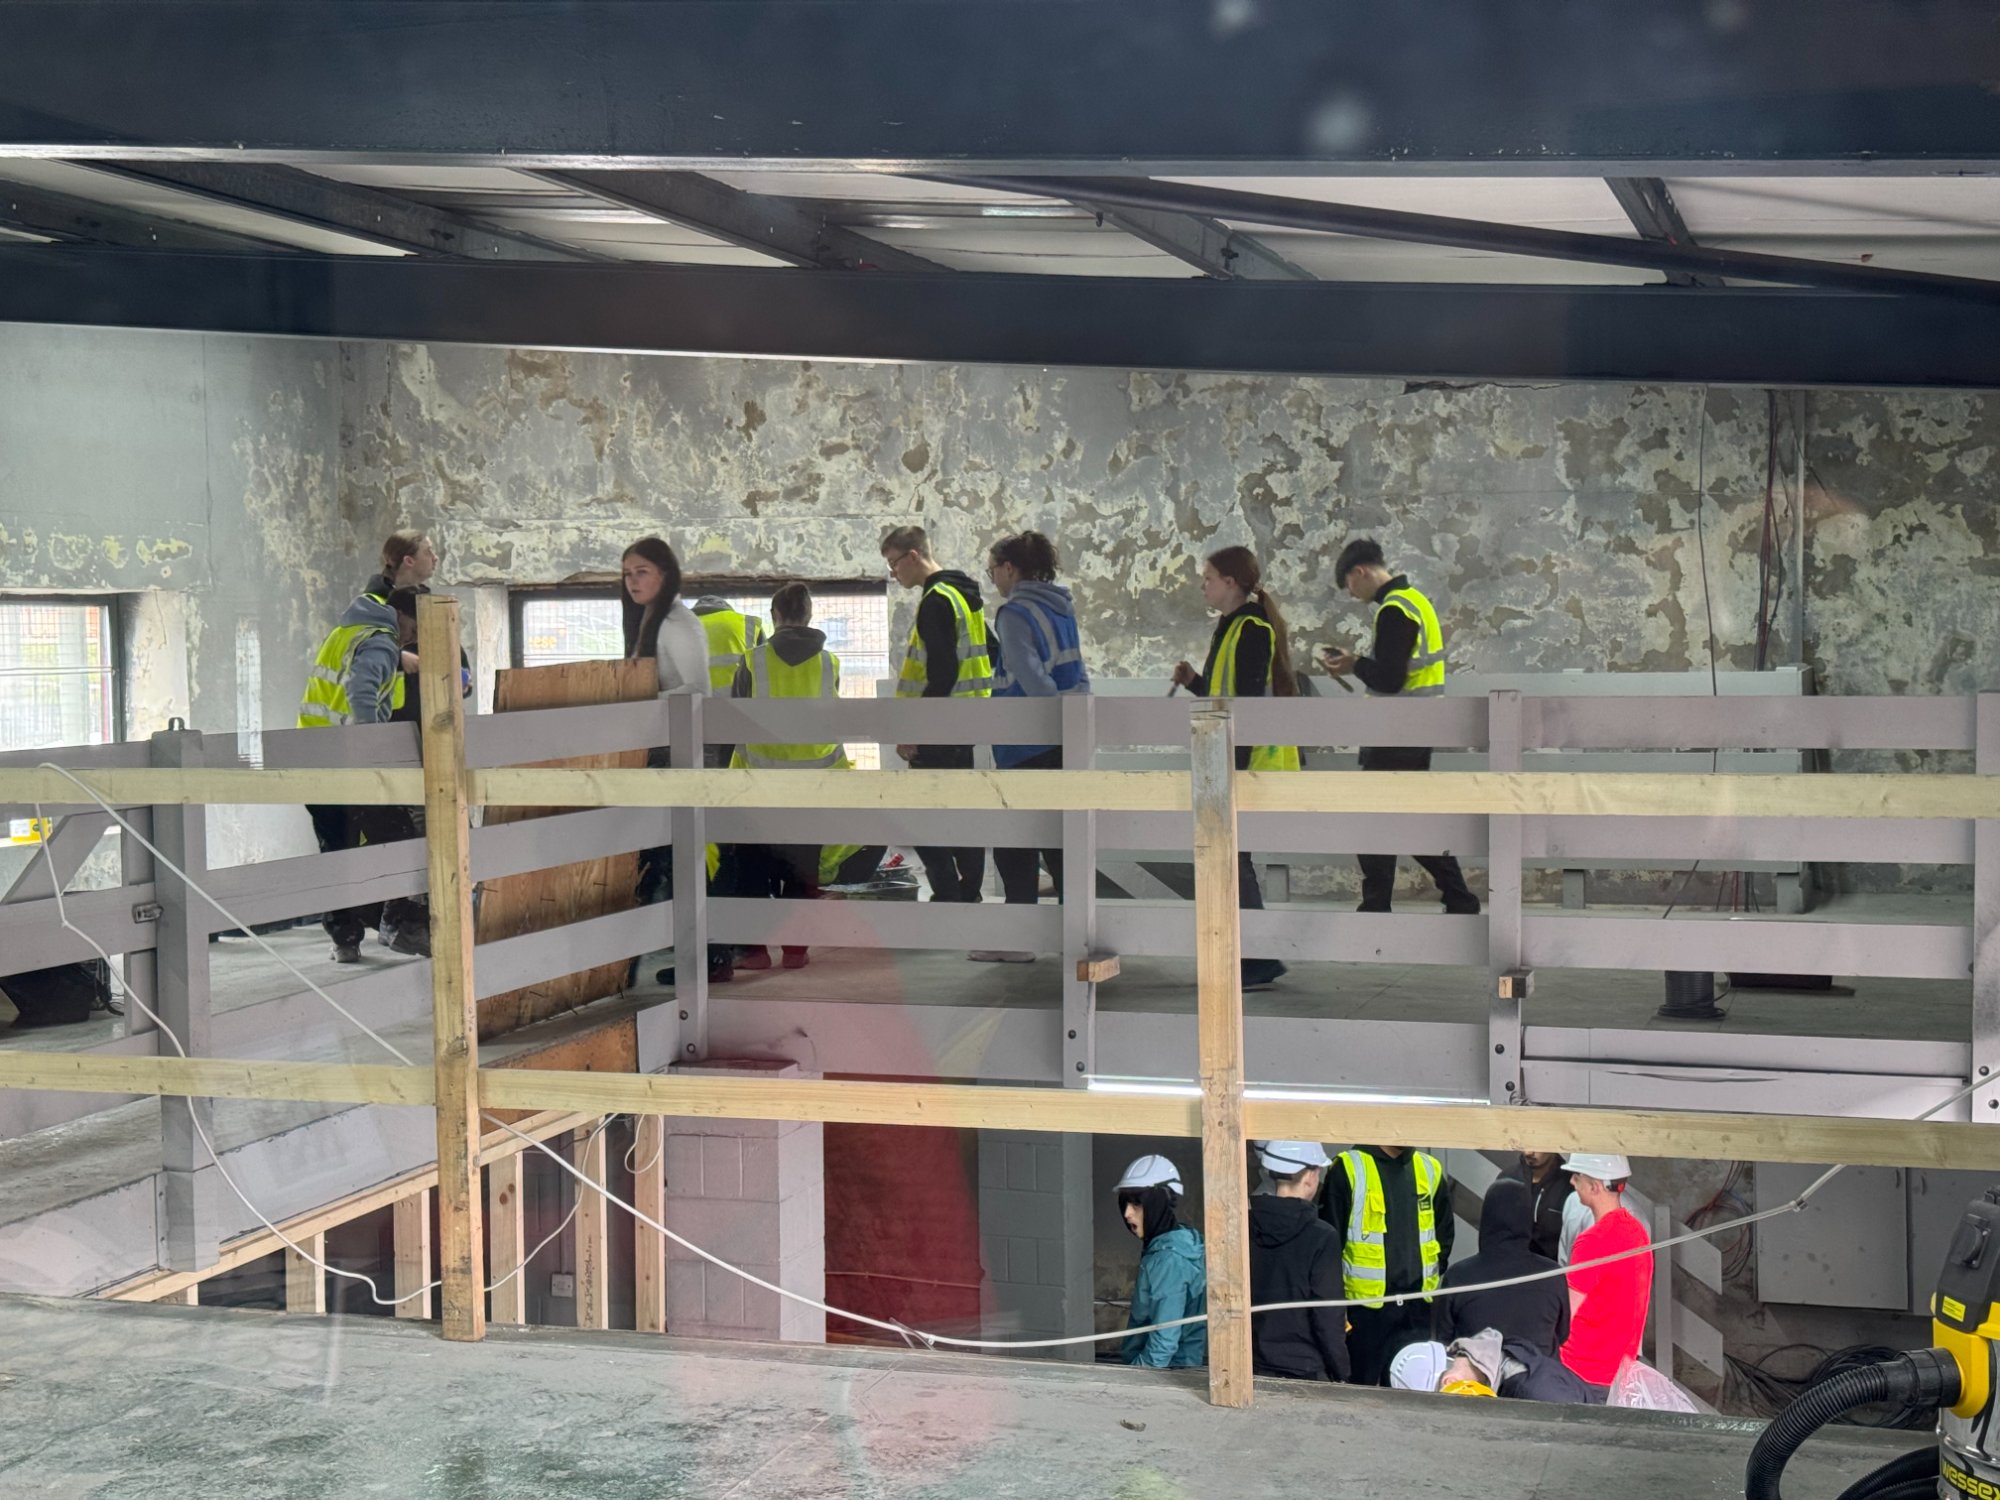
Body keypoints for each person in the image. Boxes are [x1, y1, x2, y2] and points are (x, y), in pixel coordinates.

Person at [1320, 538, 1480, 917]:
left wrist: (1354, 663)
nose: (1352, 594)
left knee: (1376, 820)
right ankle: (1456, 897)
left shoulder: (1393, 610)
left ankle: (1379, 907)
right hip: (1417, 728)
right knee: (1406, 819)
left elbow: (1390, 679)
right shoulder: (1416, 601)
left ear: (1359, 572)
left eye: (1349, 585)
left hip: (1398, 731)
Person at [1170, 544, 1299, 992]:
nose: (1203, 586)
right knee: (1231, 859)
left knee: (1234, 860)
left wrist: (1229, 768)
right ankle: (1251, 958)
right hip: (1228, 756)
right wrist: (1193, 684)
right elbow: (1224, 693)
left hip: (1244, 760)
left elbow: (1244, 706)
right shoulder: (1232, 627)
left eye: (1208, 578)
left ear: (1230, 582)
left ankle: (1257, 958)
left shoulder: (1251, 630)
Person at [297, 587, 429, 962]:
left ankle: (345, 940)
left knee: (336, 848)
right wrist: (373, 752)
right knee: (401, 837)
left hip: (312, 756)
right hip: (347, 760)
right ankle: (398, 925)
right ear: (402, 615)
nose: (415, 636)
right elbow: (361, 694)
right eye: (416, 626)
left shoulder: (351, 632)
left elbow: (385, 699)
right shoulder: (381, 642)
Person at [977, 530, 1089, 962]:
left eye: (993, 571)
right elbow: (1079, 676)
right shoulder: (1064, 610)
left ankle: (1020, 942)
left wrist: (1047, 711)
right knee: (1061, 845)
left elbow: (1029, 679)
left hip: (1022, 744)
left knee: (1014, 844)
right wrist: (1069, 715)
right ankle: (1071, 938)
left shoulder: (1014, 614)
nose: (994, 580)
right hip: (1063, 741)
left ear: (1010, 568)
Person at [623, 537, 730, 984]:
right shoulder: (651, 620)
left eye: (642, 571)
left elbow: (698, 690)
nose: (632, 581)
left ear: (665, 574)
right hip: (663, 752)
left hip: (682, 754)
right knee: (663, 859)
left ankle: (710, 956)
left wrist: (640, 702)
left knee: (680, 858)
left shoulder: (677, 623)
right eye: (627, 573)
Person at [730, 582, 847, 971]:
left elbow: (733, 721)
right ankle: (797, 951)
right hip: (812, 786)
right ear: (809, 616)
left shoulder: (752, 660)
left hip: (758, 787)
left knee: (752, 871)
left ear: (775, 616)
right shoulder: (831, 663)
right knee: (802, 871)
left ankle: (755, 952)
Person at [882, 525, 992, 905]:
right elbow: (992, 651)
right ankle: (969, 895)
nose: (894, 574)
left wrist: (917, 731)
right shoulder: (964, 595)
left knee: (924, 820)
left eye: (894, 564)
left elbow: (942, 673)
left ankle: (948, 896)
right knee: (963, 816)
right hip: (967, 725)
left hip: (940, 730)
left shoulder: (935, 601)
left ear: (914, 556)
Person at [1322, 1143, 1454, 1385]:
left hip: (1417, 1310)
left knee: (1413, 1391)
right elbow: (1329, 1244)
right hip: (1365, 1313)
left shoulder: (1429, 1168)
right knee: (1361, 1395)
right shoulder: (1349, 1168)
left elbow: (1443, 1234)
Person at [1247, 1140, 1350, 1382]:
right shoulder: (1322, 1236)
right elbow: (1327, 1316)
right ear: (1311, 1176)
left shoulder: (1245, 1225)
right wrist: (1341, 1370)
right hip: (1305, 1370)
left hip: (1250, 1365)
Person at [1435, 1178, 1569, 1356]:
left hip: (1478, 1380)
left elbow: (1442, 1341)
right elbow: (1562, 1334)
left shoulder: (1458, 1276)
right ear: (1528, 1220)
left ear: (1487, 1218)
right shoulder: (1553, 1276)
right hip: (1537, 1379)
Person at [1558, 1152, 1653, 1397]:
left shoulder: (1593, 1241)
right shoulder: (1637, 1231)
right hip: (1619, 1370)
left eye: (1576, 1176)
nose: (1571, 1182)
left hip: (1582, 1372)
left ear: (1595, 1186)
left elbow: (1568, 1315)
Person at [1115, 1155, 1208, 1370]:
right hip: (1177, 1370)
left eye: (1137, 1204)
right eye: (1125, 1203)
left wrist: (1133, 1380)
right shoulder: (1181, 1240)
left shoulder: (1169, 1261)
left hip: (1164, 1376)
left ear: (1157, 1204)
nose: (1128, 1214)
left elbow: (1163, 1342)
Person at [1506, 1150, 1576, 1263]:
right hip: (1509, 1271)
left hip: (1553, 1273)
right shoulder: (1507, 1178)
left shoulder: (1571, 1185)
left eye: (1536, 1143)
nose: (1528, 1152)